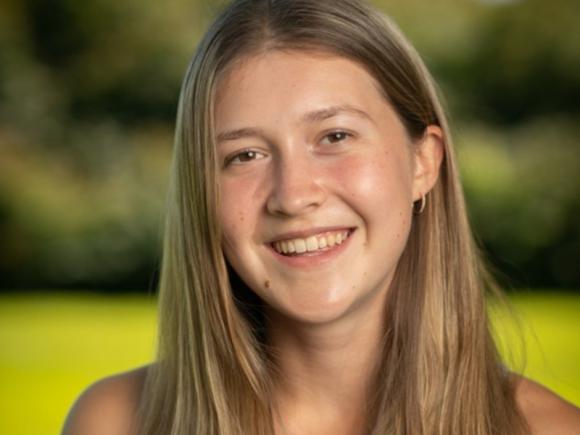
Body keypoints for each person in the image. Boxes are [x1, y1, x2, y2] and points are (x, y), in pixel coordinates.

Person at [62, 0, 580, 434]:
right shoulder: (113, 423)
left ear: (423, 162)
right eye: (244, 155)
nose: (292, 195)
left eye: (334, 137)